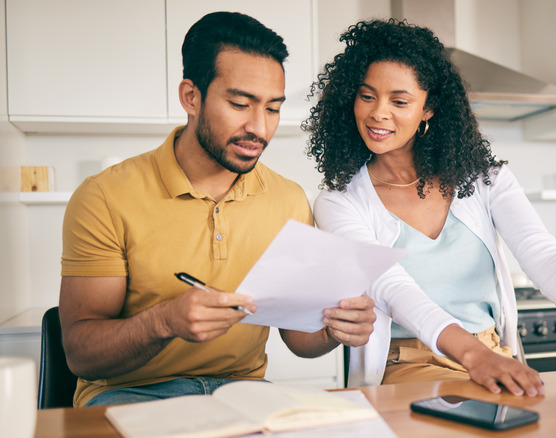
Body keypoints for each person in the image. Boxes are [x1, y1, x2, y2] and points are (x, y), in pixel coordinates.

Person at [304, 19, 556, 397]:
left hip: (493, 354)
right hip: (409, 367)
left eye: (400, 101)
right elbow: (391, 288)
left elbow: (543, 254)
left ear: (427, 109)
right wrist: (472, 356)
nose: (378, 113)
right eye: (367, 96)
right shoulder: (340, 201)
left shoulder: (484, 179)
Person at [59, 11, 375, 408]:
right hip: (129, 395)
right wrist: (164, 322)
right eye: (241, 104)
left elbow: (298, 339)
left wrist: (336, 328)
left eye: (273, 109)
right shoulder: (104, 196)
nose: (259, 128)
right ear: (191, 97)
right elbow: (80, 354)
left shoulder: (288, 200)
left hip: (245, 395)